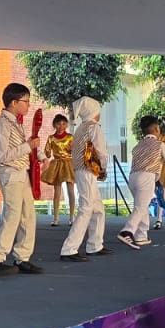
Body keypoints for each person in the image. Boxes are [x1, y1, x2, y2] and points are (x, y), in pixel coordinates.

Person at [0, 83, 43, 278]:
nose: (28, 105)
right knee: (12, 216)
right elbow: (2, 155)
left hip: (21, 173)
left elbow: (22, 149)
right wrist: (28, 146)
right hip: (10, 174)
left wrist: (38, 154)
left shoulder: (15, 123)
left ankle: (22, 256)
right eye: (25, 101)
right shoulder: (2, 124)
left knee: (28, 215)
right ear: (13, 102)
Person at [58, 98, 113, 262]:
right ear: (94, 112)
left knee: (98, 208)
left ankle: (95, 245)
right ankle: (69, 249)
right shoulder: (94, 127)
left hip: (80, 170)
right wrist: (103, 167)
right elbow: (101, 151)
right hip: (89, 170)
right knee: (86, 208)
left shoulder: (80, 128)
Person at [118, 115, 165, 249]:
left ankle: (141, 236)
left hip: (133, 177)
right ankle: (127, 231)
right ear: (157, 129)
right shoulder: (160, 145)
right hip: (147, 177)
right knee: (141, 207)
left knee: (142, 206)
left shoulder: (137, 146)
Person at [40, 114, 75, 226]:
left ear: (66, 125)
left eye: (64, 124)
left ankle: (72, 217)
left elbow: (74, 150)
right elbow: (47, 153)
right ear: (54, 125)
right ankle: (56, 218)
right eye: (59, 124)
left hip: (68, 164)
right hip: (57, 164)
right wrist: (46, 154)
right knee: (57, 191)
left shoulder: (70, 137)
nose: (61, 126)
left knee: (71, 191)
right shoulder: (51, 138)